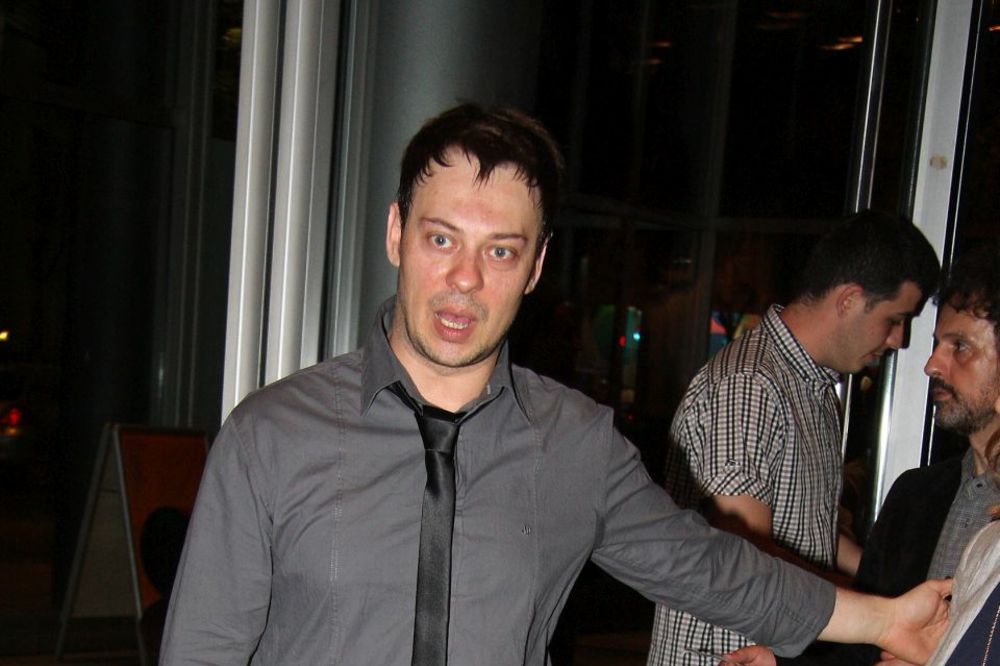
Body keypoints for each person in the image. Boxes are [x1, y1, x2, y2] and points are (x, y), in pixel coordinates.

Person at [159, 104, 950, 665]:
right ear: (397, 233)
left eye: (500, 251)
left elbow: (710, 567)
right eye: (442, 239)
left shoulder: (576, 444)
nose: (465, 279)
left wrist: (882, 621)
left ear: (535, 266)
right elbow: (202, 651)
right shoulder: (272, 435)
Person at [647, 211, 941, 666]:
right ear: (849, 299)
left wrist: (888, 589)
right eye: (895, 319)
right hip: (725, 653)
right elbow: (743, 552)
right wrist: (875, 613)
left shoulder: (812, 390)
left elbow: (809, 533)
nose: (899, 340)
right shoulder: (750, 384)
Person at [724, 239, 1000, 666]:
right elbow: (864, 643)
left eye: (959, 346)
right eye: (937, 344)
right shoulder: (915, 495)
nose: (931, 364)